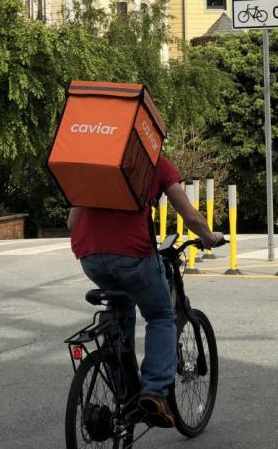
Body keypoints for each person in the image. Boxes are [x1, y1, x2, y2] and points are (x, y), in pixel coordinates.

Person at [68, 154, 223, 429]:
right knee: (161, 315)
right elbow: (189, 215)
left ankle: (125, 392)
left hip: (89, 256)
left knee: (120, 314)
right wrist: (210, 237)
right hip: (133, 255)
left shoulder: (97, 161)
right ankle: (153, 391)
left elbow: (71, 223)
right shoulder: (154, 164)